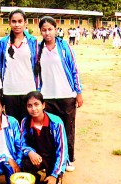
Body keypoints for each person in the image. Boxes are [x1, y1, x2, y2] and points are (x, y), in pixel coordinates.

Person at [35, 16, 83, 172]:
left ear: (56, 29)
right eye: (44, 30)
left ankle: (68, 159)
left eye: (50, 29)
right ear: (40, 31)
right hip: (47, 97)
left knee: (67, 128)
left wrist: (78, 92)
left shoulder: (64, 47)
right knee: (49, 130)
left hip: (66, 95)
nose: (47, 33)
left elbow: (74, 69)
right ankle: (52, 159)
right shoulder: (38, 50)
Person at [21, 91, 68, 184]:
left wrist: (54, 175)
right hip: (38, 158)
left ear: (43, 105)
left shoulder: (56, 122)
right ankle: (35, 179)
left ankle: (58, 178)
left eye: (36, 104)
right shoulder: (25, 122)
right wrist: (30, 152)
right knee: (26, 163)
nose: (33, 109)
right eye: (29, 106)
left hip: (54, 158)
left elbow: (62, 151)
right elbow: (23, 143)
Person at [0, 9, 38, 123]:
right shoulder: (3, 42)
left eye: (20, 21)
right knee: (12, 124)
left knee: (28, 124)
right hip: (9, 90)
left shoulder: (32, 41)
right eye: (13, 21)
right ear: (9, 23)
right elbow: (0, 65)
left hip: (28, 90)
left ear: (25, 23)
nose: (17, 24)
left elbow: (36, 65)